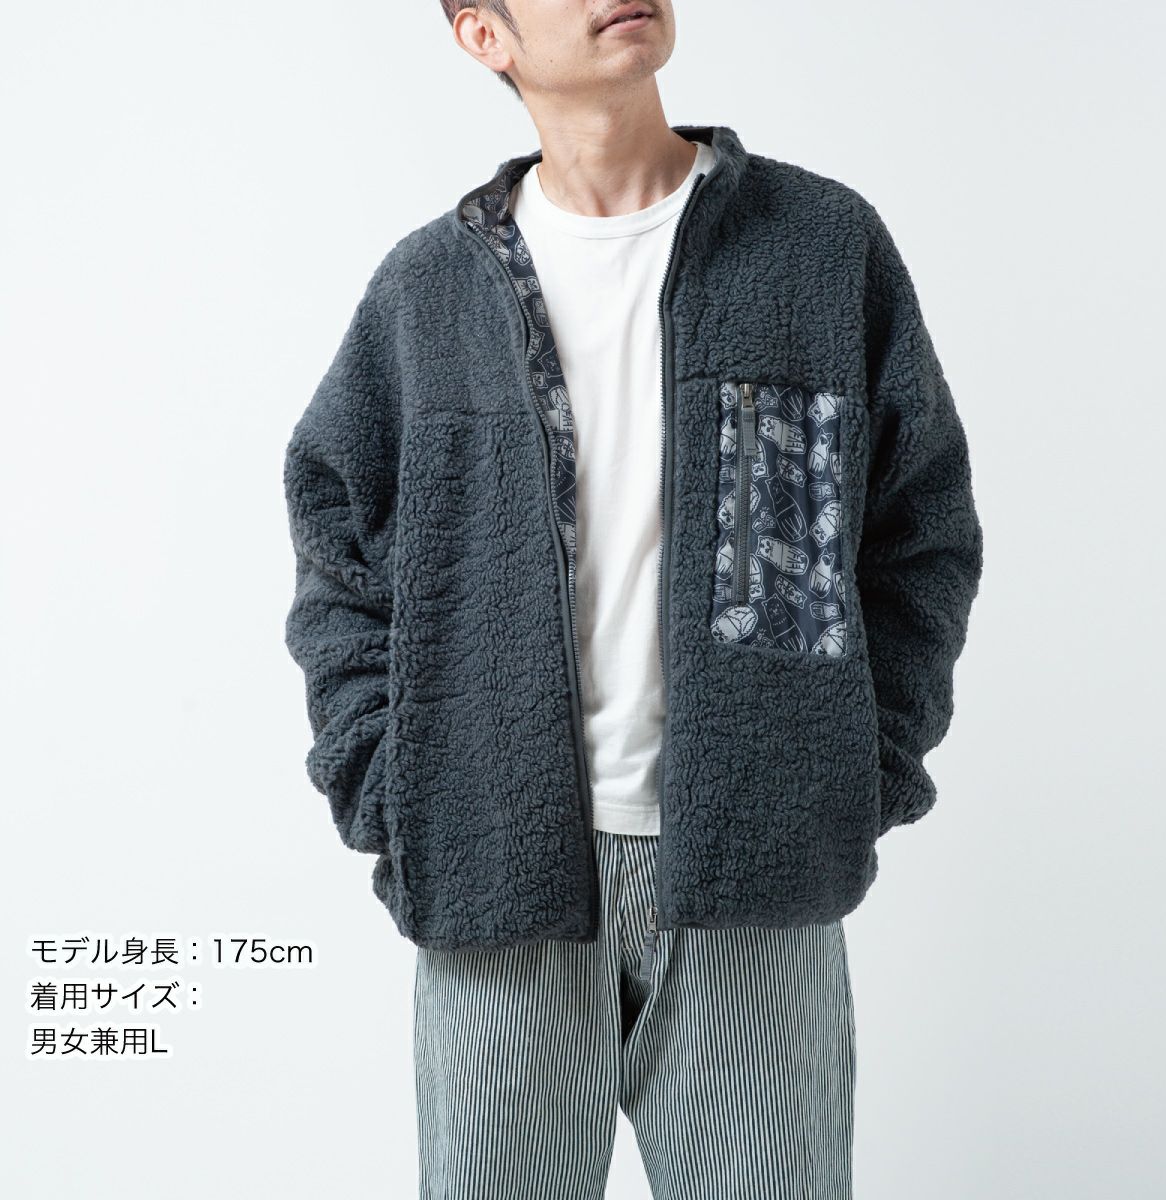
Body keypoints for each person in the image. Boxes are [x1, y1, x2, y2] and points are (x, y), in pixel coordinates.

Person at [282, 2, 985, 1195]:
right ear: (484, 35)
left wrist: (855, 769)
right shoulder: (427, 293)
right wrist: (390, 784)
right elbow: (338, 544)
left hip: (758, 878)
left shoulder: (817, 248)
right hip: (494, 872)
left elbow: (920, 527)